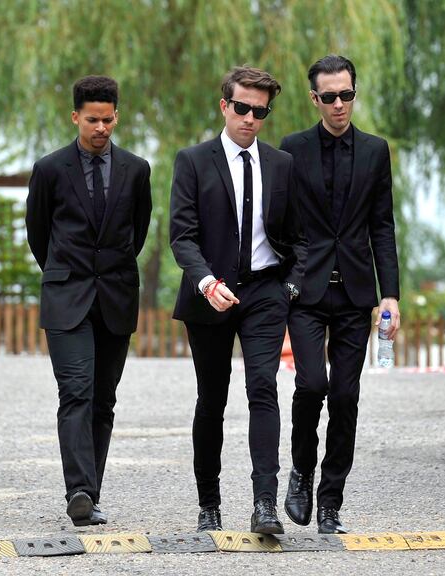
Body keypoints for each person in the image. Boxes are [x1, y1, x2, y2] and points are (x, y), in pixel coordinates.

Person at [170, 66, 306, 534]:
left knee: (263, 388)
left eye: (260, 111)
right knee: (212, 397)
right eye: (243, 107)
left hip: (266, 291)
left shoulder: (282, 164)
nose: (250, 118)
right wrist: (206, 282)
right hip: (210, 292)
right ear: (225, 105)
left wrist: (289, 286)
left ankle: (264, 505)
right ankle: (209, 504)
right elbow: (181, 237)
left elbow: (300, 237)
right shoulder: (192, 161)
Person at [279, 55, 400, 534]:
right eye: (328, 97)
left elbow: (382, 226)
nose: (338, 104)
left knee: (346, 397)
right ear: (315, 99)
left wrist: (389, 295)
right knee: (312, 386)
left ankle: (331, 503)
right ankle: (301, 472)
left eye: (346, 94)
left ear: (355, 92)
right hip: (306, 293)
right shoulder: (291, 150)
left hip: (354, 294)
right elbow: (282, 225)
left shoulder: (375, 151)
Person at [26, 75, 152, 526]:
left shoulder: (137, 170)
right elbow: (38, 234)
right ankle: (78, 490)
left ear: (117, 116)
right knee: (75, 391)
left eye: (108, 119)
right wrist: (64, 273)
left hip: (115, 296)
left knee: (104, 400)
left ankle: (89, 493)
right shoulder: (49, 169)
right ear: (75, 117)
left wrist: (107, 273)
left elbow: (136, 234)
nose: (101, 128)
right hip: (67, 296)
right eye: (92, 120)